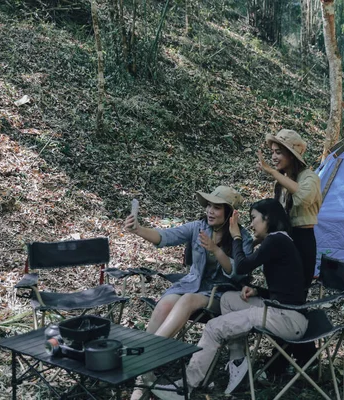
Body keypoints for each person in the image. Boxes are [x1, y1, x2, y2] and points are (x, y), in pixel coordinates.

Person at [150, 199, 308, 400]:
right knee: (228, 299)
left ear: (268, 218)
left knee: (214, 327)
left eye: (254, 219)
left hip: (286, 317)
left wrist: (236, 236)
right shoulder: (281, 240)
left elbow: (241, 267)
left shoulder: (276, 240)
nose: (251, 224)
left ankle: (186, 388)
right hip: (282, 309)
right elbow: (287, 288)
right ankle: (238, 358)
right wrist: (258, 291)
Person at [124, 186, 253, 400]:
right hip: (192, 284)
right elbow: (165, 237)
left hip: (221, 292)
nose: (210, 211)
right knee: (166, 303)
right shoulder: (198, 227)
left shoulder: (242, 237)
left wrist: (216, 250)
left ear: (229, 212)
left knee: (187, 300)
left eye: (217, 207)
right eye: (209, 206)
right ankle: (143, 378)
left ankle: (145, 356)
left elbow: (239, 273)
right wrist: (138, 229)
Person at [257, 128, 322, 370]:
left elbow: (304, 197)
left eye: (279, 153)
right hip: (285, 241)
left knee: (294, 300)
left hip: (303, 241)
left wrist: (273, 172)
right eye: (272, 153)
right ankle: (290, 356)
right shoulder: (282, 181)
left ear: (292, 155)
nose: (274, 157)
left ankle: (298, 357)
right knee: (281, 299)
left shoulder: (309, 177)